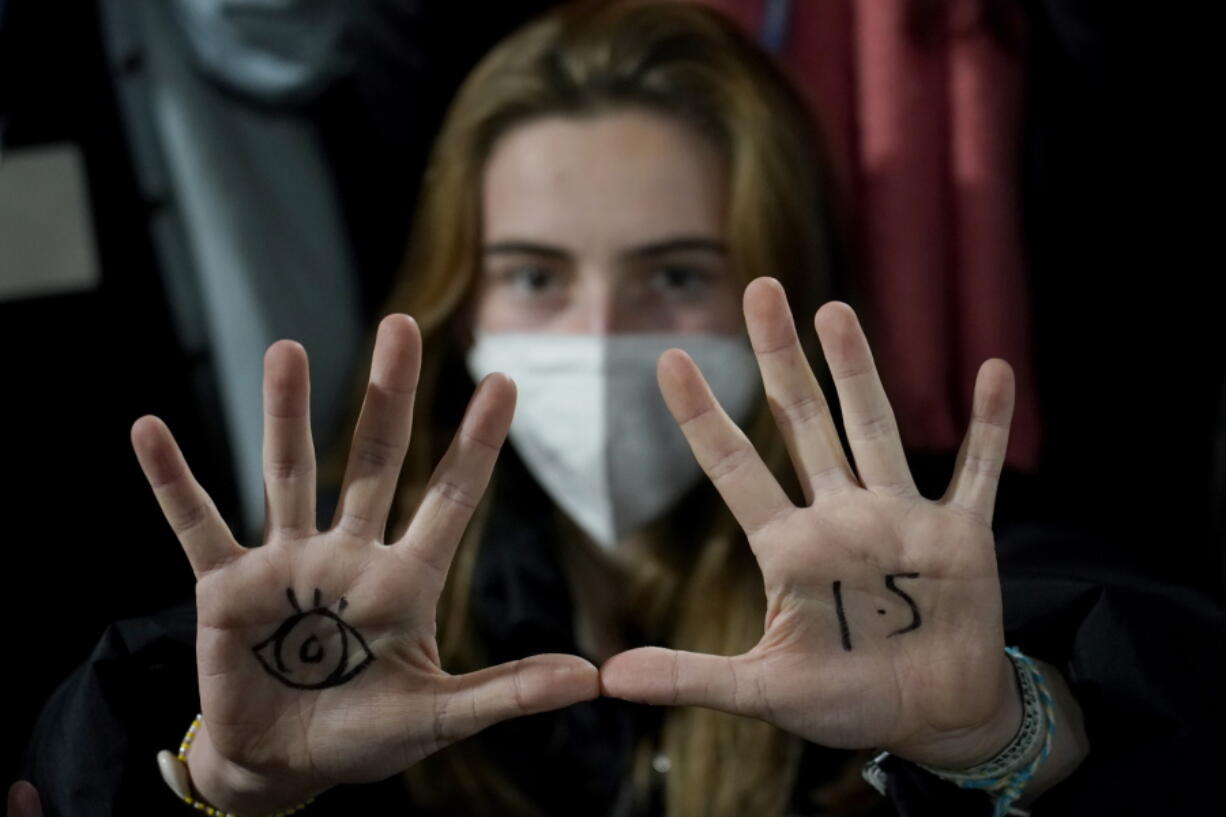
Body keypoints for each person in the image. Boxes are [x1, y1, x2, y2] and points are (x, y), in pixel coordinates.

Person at [12, 2, 1223, 816]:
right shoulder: (324, 613)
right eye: (536, 275)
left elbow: (1164, 692)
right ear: (457, 300)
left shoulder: (945, 567)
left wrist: (1002, 731)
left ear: (786, 291)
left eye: (676, 273)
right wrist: (216, 784)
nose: (596, 333)